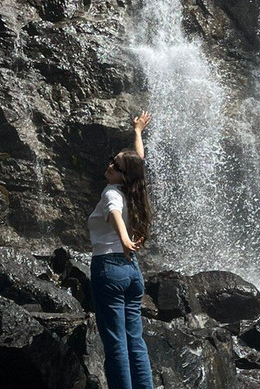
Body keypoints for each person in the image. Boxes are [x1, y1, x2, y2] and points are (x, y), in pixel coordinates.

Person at [88, 111, 153, 389]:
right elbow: (137, 161)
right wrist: (137, 131)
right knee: (135, 342)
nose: (109, 165)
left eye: (114, 164)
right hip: (132, 273)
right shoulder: (134, 187)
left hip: (109, 269)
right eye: (112, 161)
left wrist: (124, 239)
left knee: (116, 345)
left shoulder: (112, 192)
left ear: (121, 174)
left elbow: (114, 212)